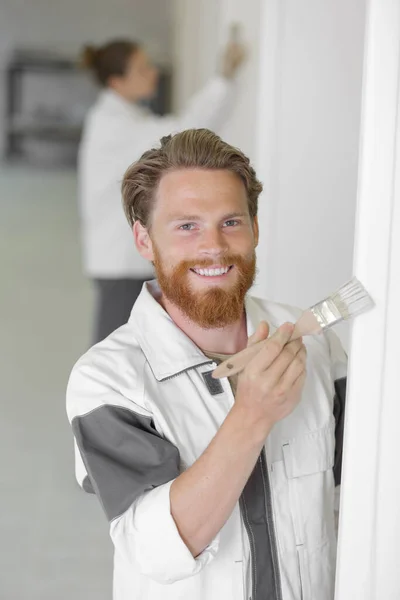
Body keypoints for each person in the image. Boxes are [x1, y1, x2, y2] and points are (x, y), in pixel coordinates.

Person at [67, 129, 347, 600]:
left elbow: (354, 504)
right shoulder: (108, 381)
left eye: (231, 222)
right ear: (144, 239)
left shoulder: (319, 350)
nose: (214, 246)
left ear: (256, 229)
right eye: (186, 226)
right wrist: (252, 415)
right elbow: (155, 551)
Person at [78, 38, 245, 343]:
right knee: (115, 352)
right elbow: (183, 130)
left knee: (136, 346)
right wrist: (224, 78)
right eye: (142, 68)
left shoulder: (126, 118)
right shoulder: (113, 125)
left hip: (124, 259)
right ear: (117, 81)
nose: (153, 73)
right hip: (121, 264)